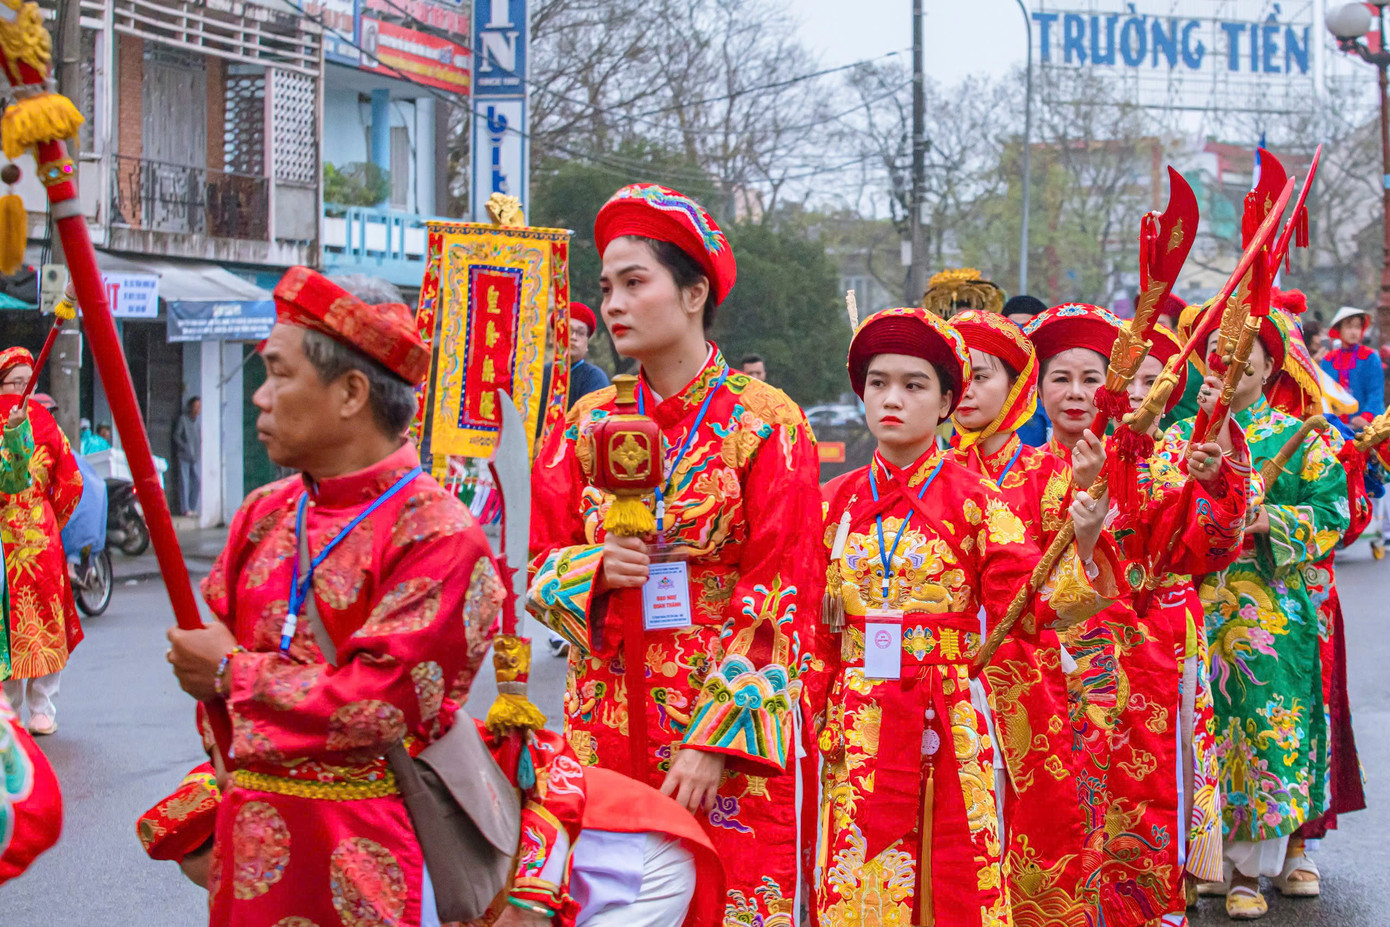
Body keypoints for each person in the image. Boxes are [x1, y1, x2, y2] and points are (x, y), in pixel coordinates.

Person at [165, 267, 506, 927]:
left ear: (351, 392)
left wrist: (233, 674)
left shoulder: (440, 534)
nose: (261, 397)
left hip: (369, 853)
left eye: (279, 373)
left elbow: (380, 704)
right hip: (250, 853)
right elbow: (213, 680)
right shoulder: (263, 512)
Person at [529, 183, 823, 926]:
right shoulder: (585, 423)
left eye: (636, 282)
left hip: (716, 727)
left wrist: (716, 740)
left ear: (694, 292)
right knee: (608, 898)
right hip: (602, 712)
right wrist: (591, 571)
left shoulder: (765, 423)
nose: (615, 304)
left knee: (719, 901)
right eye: (607, 287)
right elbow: (536, 555)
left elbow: (781, 593)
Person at [809, 305, 1118, 927]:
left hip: (946, 712)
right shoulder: (829, 503)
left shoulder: (977, 503)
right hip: (854, 718)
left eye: (914, 385)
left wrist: (1081, 544)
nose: (892, 399)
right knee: (853, 874)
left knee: (950, 868)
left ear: (948, 401)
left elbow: (1031, 603)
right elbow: (805, 624)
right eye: (878, 383)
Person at [1026, 304, 1249, 926]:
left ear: (1116, 387)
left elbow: (1215, 543)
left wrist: (1220, 476)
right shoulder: (1011, 475)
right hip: (1044, 669)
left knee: (1140, 803)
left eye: (1092, 379)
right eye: (1058, 378)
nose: (1075, 394)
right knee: (1051, 809)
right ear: (1036, 389)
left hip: (1144, 661)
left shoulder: (1160, 467)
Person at [1168, 304, 1348, 920]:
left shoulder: (1302, 436)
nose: (1231, 358)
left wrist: (1275, 520)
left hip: (1268, 611)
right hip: (1193, 607)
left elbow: (1334, 511)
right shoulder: (1180, 438)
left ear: (1271, 368)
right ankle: (1201, 859)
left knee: (1262, 735)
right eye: (1219, 347)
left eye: (1249, 352)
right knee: (1198, 734)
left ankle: (1250, 870)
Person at [945, 308, 1103, 920]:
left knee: (1034, 826)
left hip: (1028, 682)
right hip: (941, 676)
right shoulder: (931, 474)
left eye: (981, 376)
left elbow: (1070, 603)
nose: (966, 391)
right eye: (953, 376)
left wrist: (1085, 544)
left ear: (1015, 387)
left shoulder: (1052, 474)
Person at [0, 348, 83, 737]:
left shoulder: (43, 421)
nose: (23, 390)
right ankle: (41, 708)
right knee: (42, 621)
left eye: (27, 383)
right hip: (36, 538)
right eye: (19, 383)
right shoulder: (43, 421)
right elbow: (71, 483)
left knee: (11, 624)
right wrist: (51, 519)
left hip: (21, 541)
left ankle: (13, 710)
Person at [1320, 305, 1385, 429]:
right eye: (1349, 327)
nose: (1354, 331)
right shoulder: (1328, 360)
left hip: (1365, 428)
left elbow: (1376, 393)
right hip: (1333, 427)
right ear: (1339, 329)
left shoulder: (1370, 356)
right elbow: (1323, 394)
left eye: (1357, 327)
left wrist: (1366, 417)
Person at [1001, 295, 1051, 446]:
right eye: (1014, 329)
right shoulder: (988, 397)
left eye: (1029, 329)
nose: (1022, 338)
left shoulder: (1056, 393)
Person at [567, 302, 611, 408]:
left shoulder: (595, 378)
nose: (573, 337)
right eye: (568, 330)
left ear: (586, 343)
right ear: (553, 337)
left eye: (581, 333)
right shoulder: (541, 375)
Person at [171, 396, 200, 517]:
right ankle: (185, 509)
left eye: (199, 407)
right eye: (196, 406)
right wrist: (184, 447)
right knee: (185, 482)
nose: (198, 409)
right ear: (191, 407)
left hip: (194, 459)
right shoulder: (183, 420)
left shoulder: (196, 424)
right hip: (184, 457)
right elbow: (176, 436)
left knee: (197, 482)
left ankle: (192, 507)